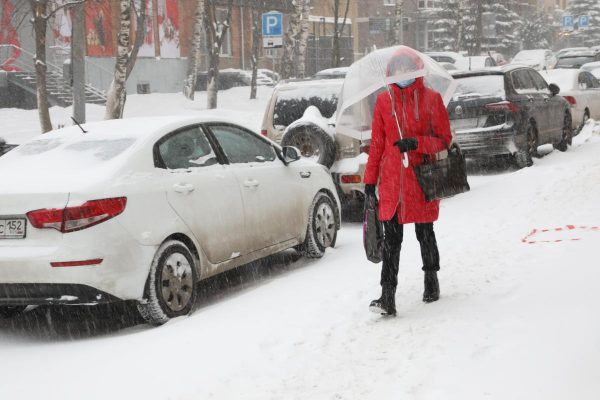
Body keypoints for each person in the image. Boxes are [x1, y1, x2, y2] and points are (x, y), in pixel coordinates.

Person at [364, 47, 452, 316]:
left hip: (421, 180)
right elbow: (377, 145)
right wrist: (370, 181)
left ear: (415, 69)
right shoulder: (383, 102)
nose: (402, 75)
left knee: (425, 234)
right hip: (392, 184)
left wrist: (416, 143)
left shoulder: (431, 99)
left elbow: (444, 140)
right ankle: (387, 297)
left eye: (406, 69)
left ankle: (431, 280)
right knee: (392, 241)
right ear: (391, 73)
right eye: (397, 70)